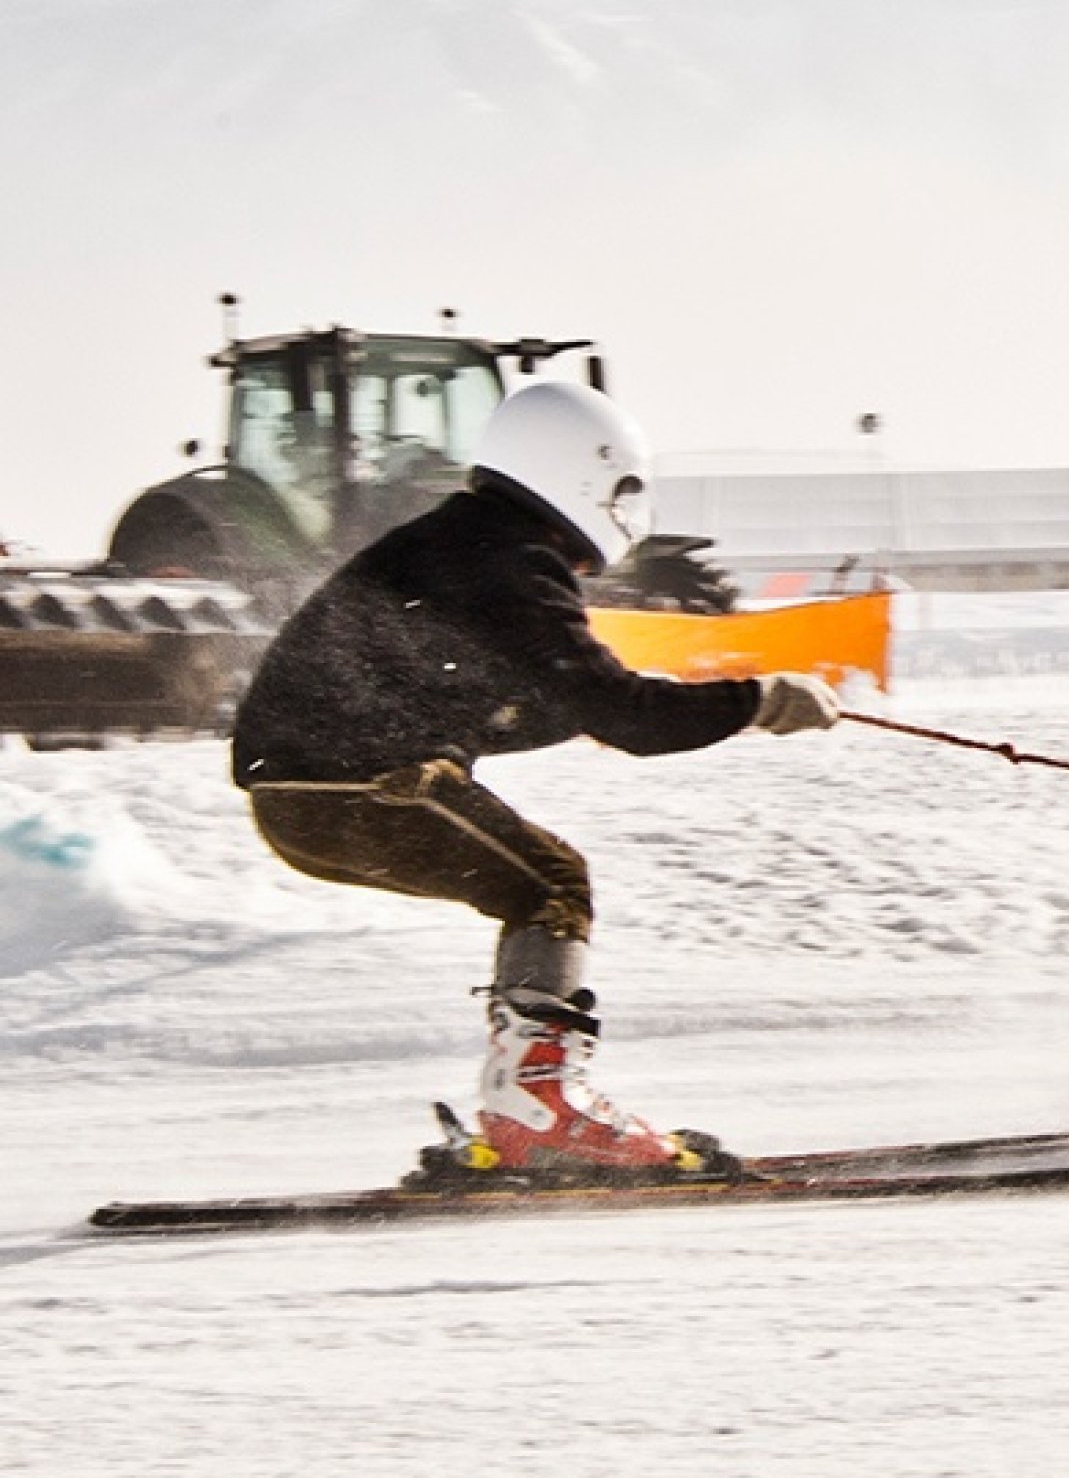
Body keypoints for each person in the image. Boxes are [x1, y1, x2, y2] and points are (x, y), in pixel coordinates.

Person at [229, 378, 842, 1182]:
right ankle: (539, 1113)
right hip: (354, 785)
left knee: (533, 884)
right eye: (624, 489)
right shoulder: (513, 561)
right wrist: (758, 700)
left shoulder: (470, 543)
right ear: (585, 477)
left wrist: (588, 712)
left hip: (308, 791)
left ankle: (525, 1105)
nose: (627, 511)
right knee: (550, 882)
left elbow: (478, 692)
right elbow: (628, 717)